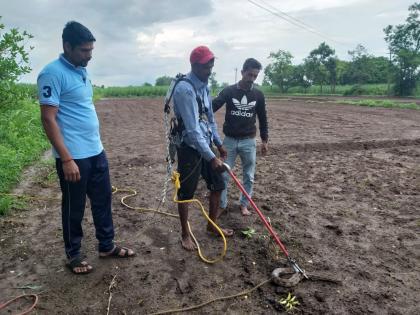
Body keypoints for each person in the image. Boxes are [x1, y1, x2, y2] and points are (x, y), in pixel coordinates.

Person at [37, 21, 135, 275]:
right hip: (74, 157)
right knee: (74, 206)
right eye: (83, 50)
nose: (89, 55)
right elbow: (48, 118)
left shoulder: (81, 69)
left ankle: (106, 245)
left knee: (103, 200)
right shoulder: (52, 73)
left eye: (91, 50)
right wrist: (66, 158)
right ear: (67, 46)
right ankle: (74, 255)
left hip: (95, 151)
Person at [173, 46, 233, 251]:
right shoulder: (184, 89)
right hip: (189, 147)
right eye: (207, 67)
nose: (210, 70)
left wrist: (218, 143)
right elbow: (191, 130)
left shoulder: (205, 86)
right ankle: (184, 234)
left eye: (212, 66)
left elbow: (208, 118)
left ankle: (212, 225)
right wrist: (211, 157)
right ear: (195, 66)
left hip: (205, 143)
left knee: (218, 183)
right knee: (186, 192)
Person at [213, 58, 268, 216]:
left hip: (248, 141)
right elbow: (214, 106)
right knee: (223, 174)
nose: (252, 78)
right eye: (249, 74)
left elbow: (263, 118)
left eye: (255, 76)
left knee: (249, 176)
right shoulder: (229, 91)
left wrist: (264, 140)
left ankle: (244, 204)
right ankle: (222, 204)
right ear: (243, 72)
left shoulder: (258, 94)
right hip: (229, 141)